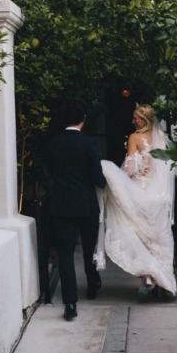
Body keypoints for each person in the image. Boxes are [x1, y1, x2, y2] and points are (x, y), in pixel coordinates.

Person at [94, 104, 177, 298]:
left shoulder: (134, 138)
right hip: (157, 194)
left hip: (139, 190)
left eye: (135, 118)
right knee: (157, 235)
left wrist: (119, 180)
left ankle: (148, 274)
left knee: (137, 231)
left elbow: (130, 168)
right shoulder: (161, 139)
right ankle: (163, 282)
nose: (132, 121)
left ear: (144, 120)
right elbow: (166, 169)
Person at [45, 103, 107, 321]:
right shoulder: (89, 144)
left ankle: (70, 303)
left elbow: (49, 173)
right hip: (86, 205)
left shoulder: (52, 144)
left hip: (61, 204)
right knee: (90, 248)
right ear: (83, 119)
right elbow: (98, 179)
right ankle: (92, 285)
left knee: (65, 254)